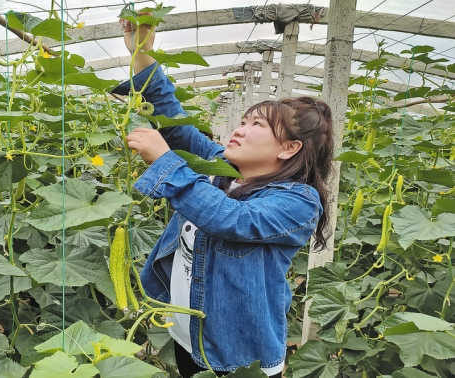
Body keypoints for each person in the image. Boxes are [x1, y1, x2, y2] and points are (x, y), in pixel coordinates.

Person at [113, 17, 334, 378]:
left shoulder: (300, 201)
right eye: (243, 121)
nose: (239, 129)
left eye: (256, 125)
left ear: (289, 148)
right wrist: (141, 54)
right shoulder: (220, 167)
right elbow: (176, 125)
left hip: (239, 357)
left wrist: (166, 163)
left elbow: (233, 219)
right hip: (188, 335)